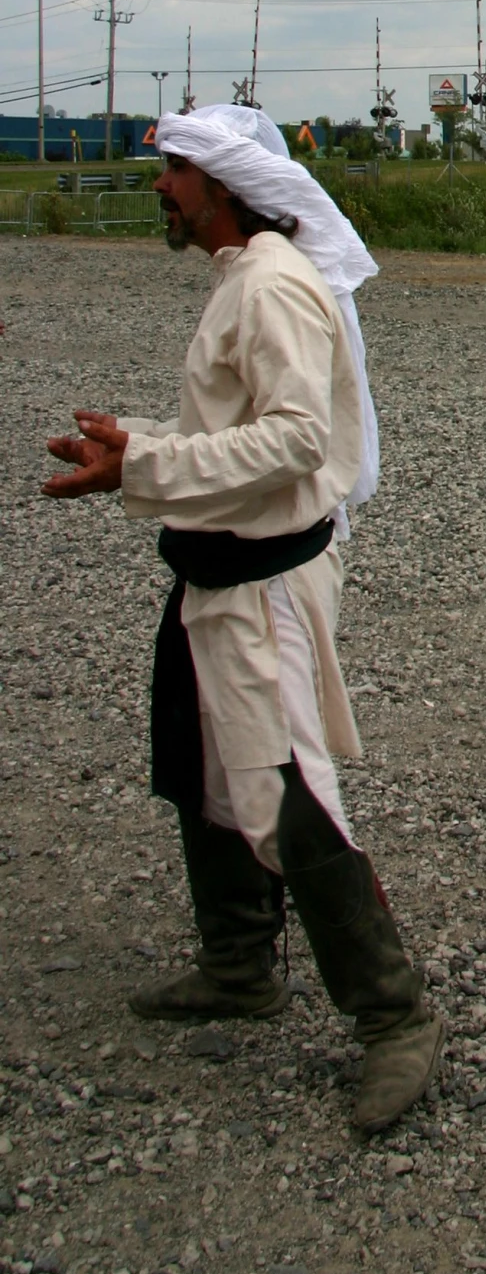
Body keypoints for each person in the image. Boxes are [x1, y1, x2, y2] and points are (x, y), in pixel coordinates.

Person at [40, 104, 442, 1133]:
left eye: (172, 172)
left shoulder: (271, 287)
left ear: (223, 186)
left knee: (285, 793)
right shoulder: (244, 279)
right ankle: (237, 968)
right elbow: (240, 430)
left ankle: (395, 1020)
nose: (159, 189)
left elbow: (298, 441)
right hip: (217, 571)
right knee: (200, 763)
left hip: (261, 584)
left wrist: (146, 463)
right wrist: (139, 441)